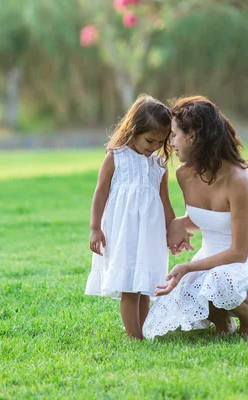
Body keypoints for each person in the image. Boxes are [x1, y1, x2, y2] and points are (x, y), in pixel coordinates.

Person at [142, 96, 248, 339]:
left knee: (218, 279)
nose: (171, 143)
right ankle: (222, 323)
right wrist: (178, 224)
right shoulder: (184, 174)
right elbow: (203, 218)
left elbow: (239, 252)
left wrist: (187, 266)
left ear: (193, 135)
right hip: (210, 260)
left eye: (174, 135)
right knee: (183, 291)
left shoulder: (238, 179)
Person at [85, 94, 191, 339]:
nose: (154, 145)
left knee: (146, 287)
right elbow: (100, 193)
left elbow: (164, 201)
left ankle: (144, 330)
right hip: (124, 233)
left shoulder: (159, 166)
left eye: (160, 141)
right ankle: (135, 336)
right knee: (130, 288)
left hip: (150, 233)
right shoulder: (116, 157)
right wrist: (94, 228)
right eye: (150, 139)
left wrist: (173, 230)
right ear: (133, 129)